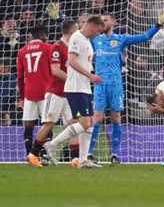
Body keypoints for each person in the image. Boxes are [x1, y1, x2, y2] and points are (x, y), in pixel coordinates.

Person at [87, 12, 164, 164]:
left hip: (116, 85)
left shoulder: (120, 39)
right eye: (101, 20)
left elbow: (144, 37)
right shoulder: (94, 40)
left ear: (114, 22)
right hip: (99, 84)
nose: (103, 22)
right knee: (97, 118)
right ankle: (89, 153)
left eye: (106, 20)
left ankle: (114, 154)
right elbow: (76, 38)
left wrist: (158, 25)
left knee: (116, 118)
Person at [43, 15, 104, 168]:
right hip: (75, 88)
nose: (98, 34)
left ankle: (83, 160)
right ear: (91, 25)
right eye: (98, 30)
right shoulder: (76, 37)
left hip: (84, 88)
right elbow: (72, 60)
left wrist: (90, 75)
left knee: (88, 125)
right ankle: (52, 144)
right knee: (84, 123)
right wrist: (90, 75)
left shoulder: (87, 41)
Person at [27, 21, 78, 168]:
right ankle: (33, 154)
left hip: (69, 94)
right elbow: (55, 71)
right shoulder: (57, 47)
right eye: (77, 29)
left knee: (74, 124)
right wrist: (72, 80)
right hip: (55, 93)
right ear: (70, 31)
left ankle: (75, 159)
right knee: (49, 124)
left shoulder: (72, 48)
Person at [16, 26, 52, 157]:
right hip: (46, 91)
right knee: (47, 123)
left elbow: (20, 77)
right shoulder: (49, 48)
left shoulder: (22, 51)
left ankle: (29, 154)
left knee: (29, 124)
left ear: (32, 36)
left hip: (29, 92)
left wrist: (21, 96)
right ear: (44, 36)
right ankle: (45, 155)